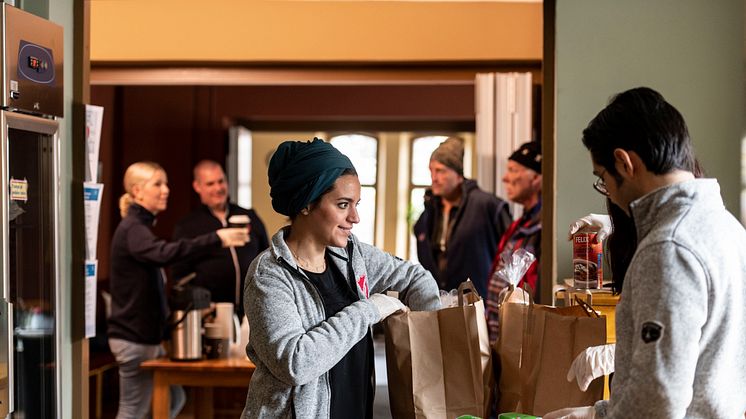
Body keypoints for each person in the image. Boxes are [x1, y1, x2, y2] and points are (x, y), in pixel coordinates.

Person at [544, 87, 746, 418]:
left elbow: (659, 400)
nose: (606, 191)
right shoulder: (728, 228)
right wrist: (600, 413)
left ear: (624, 162)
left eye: (602, 178)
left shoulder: (669, 249)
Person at [241, 138, 441, 419]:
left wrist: (434, 337)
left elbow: (413, 275)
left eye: (356, 204)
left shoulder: (351, 255)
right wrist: (370, 310)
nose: (355, 217)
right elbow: (295, 363)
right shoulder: (269, 276)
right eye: (343, 204)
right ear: (306, 204)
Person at [107, 161, 249, 419]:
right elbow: (164, 253)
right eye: (158, 184)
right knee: (132, 411)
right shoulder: (133, 229)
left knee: (173, 398)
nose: (166, 190)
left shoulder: (138, 228)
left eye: (166, 183)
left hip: (144, 338)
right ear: (137, 191)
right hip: (133, 339)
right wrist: (218, 238)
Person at [414, 137, 512, 297]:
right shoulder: (429, 213)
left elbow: (511, 257)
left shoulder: (488, 206)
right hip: (440, 303)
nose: (434, 178)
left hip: (481, 305)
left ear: (458, 173)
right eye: (431, 171)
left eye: (440, 170)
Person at [172, 160, 269, 318]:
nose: (218, 188)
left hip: (252, 312)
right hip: (210, 313)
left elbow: (267, 258)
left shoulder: (249, 216)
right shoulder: (187, 226)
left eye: (221, 181)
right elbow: (179, 276)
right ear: (197, 187)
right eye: (210, 184)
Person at [485, 141, 542, 341]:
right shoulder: (517, 226)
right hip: (499, 337)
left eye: (513, 170)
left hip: (522, 340)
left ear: (536, 178)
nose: (505, 177)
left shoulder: (544, 231)